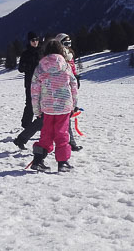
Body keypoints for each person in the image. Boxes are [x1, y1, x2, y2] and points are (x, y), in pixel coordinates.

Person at [29, 40, 78, 173]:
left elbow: (34, 90)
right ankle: (62, 162)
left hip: (47, 107)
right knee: (62, 133)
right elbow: (74, 85)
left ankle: (38, 161)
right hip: (64, 106)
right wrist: (74, 104)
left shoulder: (40, 68)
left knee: (46, 133)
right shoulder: (66, 66)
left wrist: (36, 110)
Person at [55, 33, 83, 151]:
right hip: (62, 88)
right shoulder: (58, 57)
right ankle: (70, 143)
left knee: (65, 115)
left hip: (70, 86)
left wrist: (76, 77)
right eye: (66, 43)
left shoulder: (69, 55)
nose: (68, 46)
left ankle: (69, 142)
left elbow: (72, 69)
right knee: (64, 115)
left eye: (69, 43)